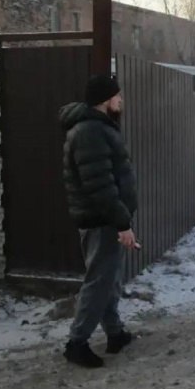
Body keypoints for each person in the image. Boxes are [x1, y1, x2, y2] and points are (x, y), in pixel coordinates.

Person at [58, 74, 139, 368]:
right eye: (117, 95)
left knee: (109, 280)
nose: (121, 100)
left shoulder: (98, 127)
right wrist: (122, 224)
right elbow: (100, 186)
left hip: (108, 218)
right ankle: (76, 343)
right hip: (102, 220)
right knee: (99, 281)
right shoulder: (90, 132)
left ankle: (114, 333)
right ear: (106, 99)